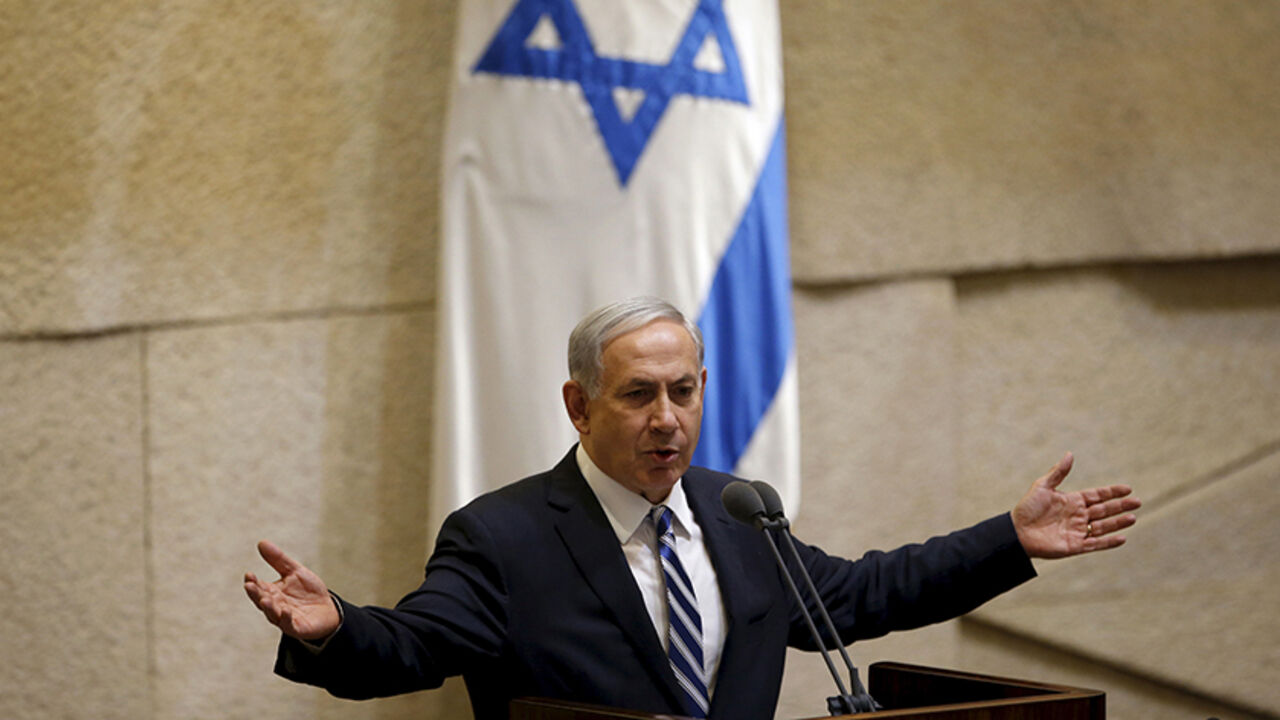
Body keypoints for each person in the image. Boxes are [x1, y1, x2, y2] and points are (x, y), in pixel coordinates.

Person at [244, 296, 1140, 720]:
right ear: (578, 404)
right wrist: (332, 630)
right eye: (637, 395)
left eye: (683, 391)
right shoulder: (503, 535)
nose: (666, 420)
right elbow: (415, 648)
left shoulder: (739, 512)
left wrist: (1009, 540)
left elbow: (867, 596)